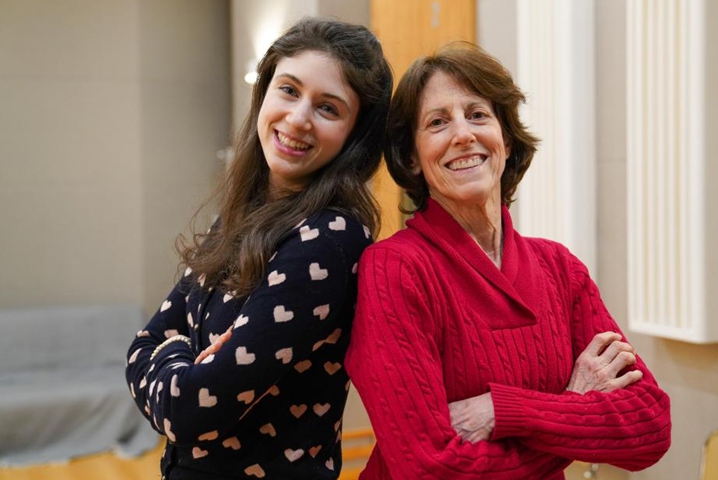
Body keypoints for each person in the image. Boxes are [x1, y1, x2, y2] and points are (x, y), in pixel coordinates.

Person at [345, 42, 671, 479]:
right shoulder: (395, 270)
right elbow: (430, 469)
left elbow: (649, 428)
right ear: (411, 157)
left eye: (478, 115)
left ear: (506, 138)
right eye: (438, 122)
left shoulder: (559, 268)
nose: (463, 134)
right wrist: (573, 409)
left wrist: (504, 410)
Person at [125, 17, 392, 480]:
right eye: (289, 90)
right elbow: (140, 346)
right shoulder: (234, 217)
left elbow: (190, 411)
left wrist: (175, 356)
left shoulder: (330, 239)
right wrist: (179, 361)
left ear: (354, 135)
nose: (298, 118)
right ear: (264, 91)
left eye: (328, 108)